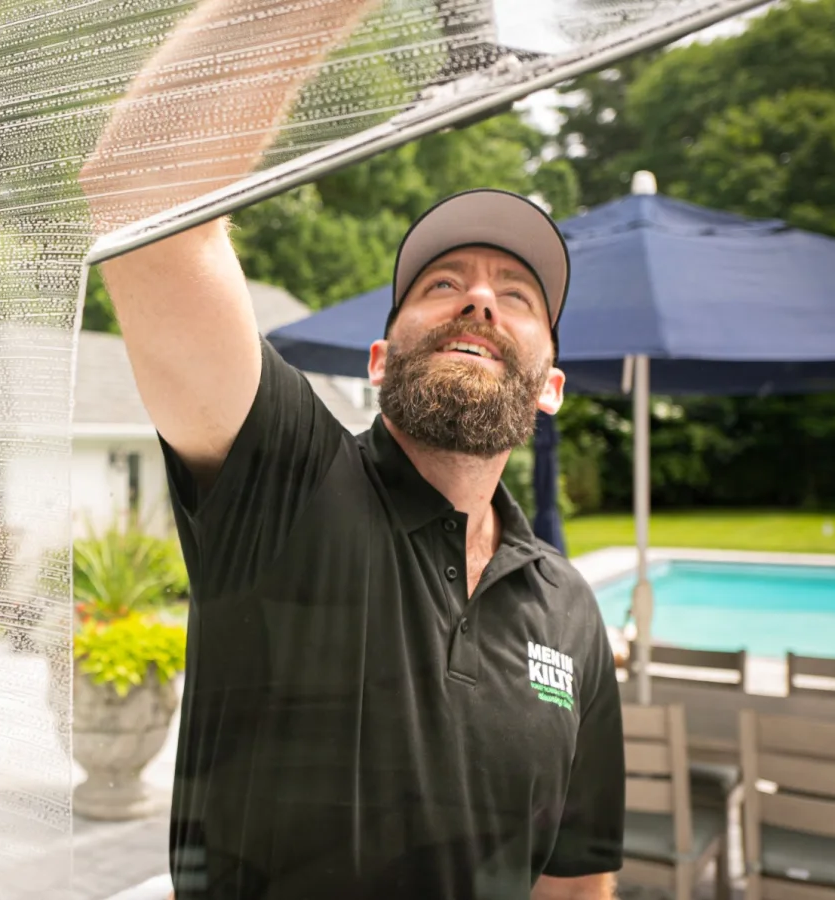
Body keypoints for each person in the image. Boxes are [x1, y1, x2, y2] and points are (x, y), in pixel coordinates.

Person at [79, 1, 624, 897]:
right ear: (381, 361)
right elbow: (143, 196)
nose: (479, 301)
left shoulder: (568, 608)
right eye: (442, 283)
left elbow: (576, 876)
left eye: (516, 294)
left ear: (550, 386)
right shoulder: (287, 476)